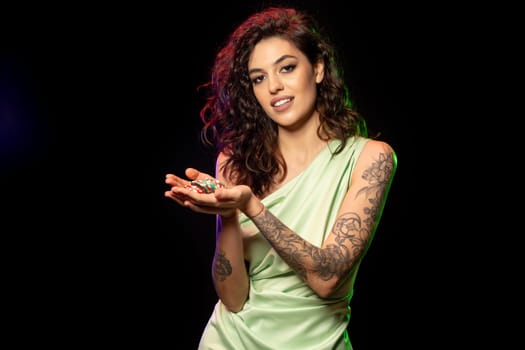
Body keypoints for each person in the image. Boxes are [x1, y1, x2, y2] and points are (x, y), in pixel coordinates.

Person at [165, 6, 397, 350]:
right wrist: (228, 215)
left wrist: (251, 206)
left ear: (317, 68)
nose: (274, 86)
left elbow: (328, 279)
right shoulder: (234, 162)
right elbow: (233, 299)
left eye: (287, 68)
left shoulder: (370, 158)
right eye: (258, 78)